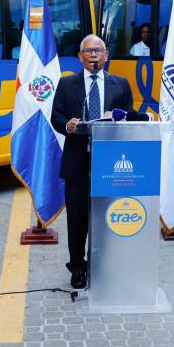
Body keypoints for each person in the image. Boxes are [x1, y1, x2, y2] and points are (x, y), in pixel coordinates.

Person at [51, 34, 133, 289]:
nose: (94, 55)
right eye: (89, 51)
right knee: (77, 218)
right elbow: (56, 116)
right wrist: (69, 125)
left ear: (106, 55)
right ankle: (77, 267)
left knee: (107, 215)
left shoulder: (121, 84)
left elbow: (130, 117)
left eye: (98, 50)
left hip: (109, 162)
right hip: (77, 161)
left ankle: (104, 265)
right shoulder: (66, 85)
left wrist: (117, 118)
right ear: (80, 56)